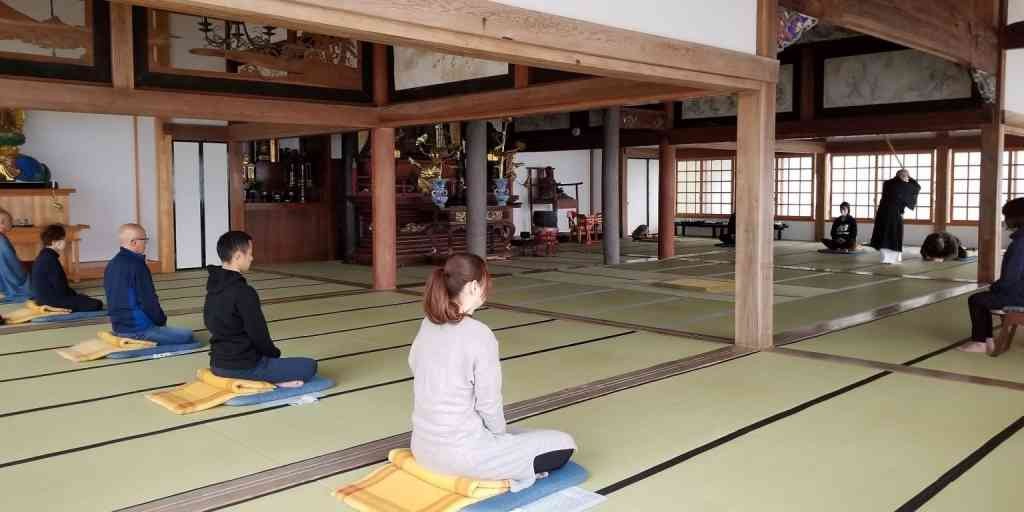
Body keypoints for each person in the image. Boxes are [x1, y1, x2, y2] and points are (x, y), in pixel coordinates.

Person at [409, 253, 576, 492]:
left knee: (523, 434)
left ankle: (501, 446)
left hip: (423, 447)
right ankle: (501, 458)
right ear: (474, 286)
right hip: (463, 456)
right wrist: (499, 440)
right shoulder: (478, 334)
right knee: (564, 443)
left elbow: (416, 367)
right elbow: (489, 404)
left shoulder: (428, 324)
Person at [205, 230, 316, 387]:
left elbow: (209, 322)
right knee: (309, 366)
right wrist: (274, 355)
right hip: (244, 366)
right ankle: (271, 381)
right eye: (249, 253)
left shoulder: (213, 286)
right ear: (237, 256)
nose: (252, 258)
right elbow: (259, 334)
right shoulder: (244, 292)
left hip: (217, 364)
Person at [104, 224, 195, 345]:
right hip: (138, 330)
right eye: (144, 240)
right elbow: (148, 301)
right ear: (134, 242)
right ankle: (138, 339)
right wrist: (161, 321)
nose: (146, 244)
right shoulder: (137, 266)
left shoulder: (112, 264)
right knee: (187, 336)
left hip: (118, 327)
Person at [961, 198, 1024, 353]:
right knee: (985, 297)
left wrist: (995, 287)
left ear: (1017, 218)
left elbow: (1011, 278)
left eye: (1006, 216)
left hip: (1020, 295)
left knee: (977, 300)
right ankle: (987, 339)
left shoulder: (1020, 244)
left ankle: (980, 342)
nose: (1005, 221)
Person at [31, 224, 103, 312]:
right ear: (54, 242)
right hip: (51, 301)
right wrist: (76, 298)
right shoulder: (50, 259)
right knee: (96, 304)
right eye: (63, 239)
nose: (65, 241)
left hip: (42, 299)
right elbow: (61, 288)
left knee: (83, 299)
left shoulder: (44, 256)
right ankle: (54, 308)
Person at [869, 169, 921, 264]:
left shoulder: (888, 184)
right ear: (902, 176)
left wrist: (907, 177)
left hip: (883, 213)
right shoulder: (902, 185)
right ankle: (892, 259)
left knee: (884, 235)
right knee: (893, 236)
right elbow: (916, 187)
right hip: (894, 215)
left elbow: (911, 188)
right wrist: (911, 179)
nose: (907, 179)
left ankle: (885, 258)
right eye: (906, 177)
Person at [0, 208, 30, 302]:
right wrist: (24, 271)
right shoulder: (1, 240)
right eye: (10, 221)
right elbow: (12, 264)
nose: (11, 223)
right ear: (2, 223)